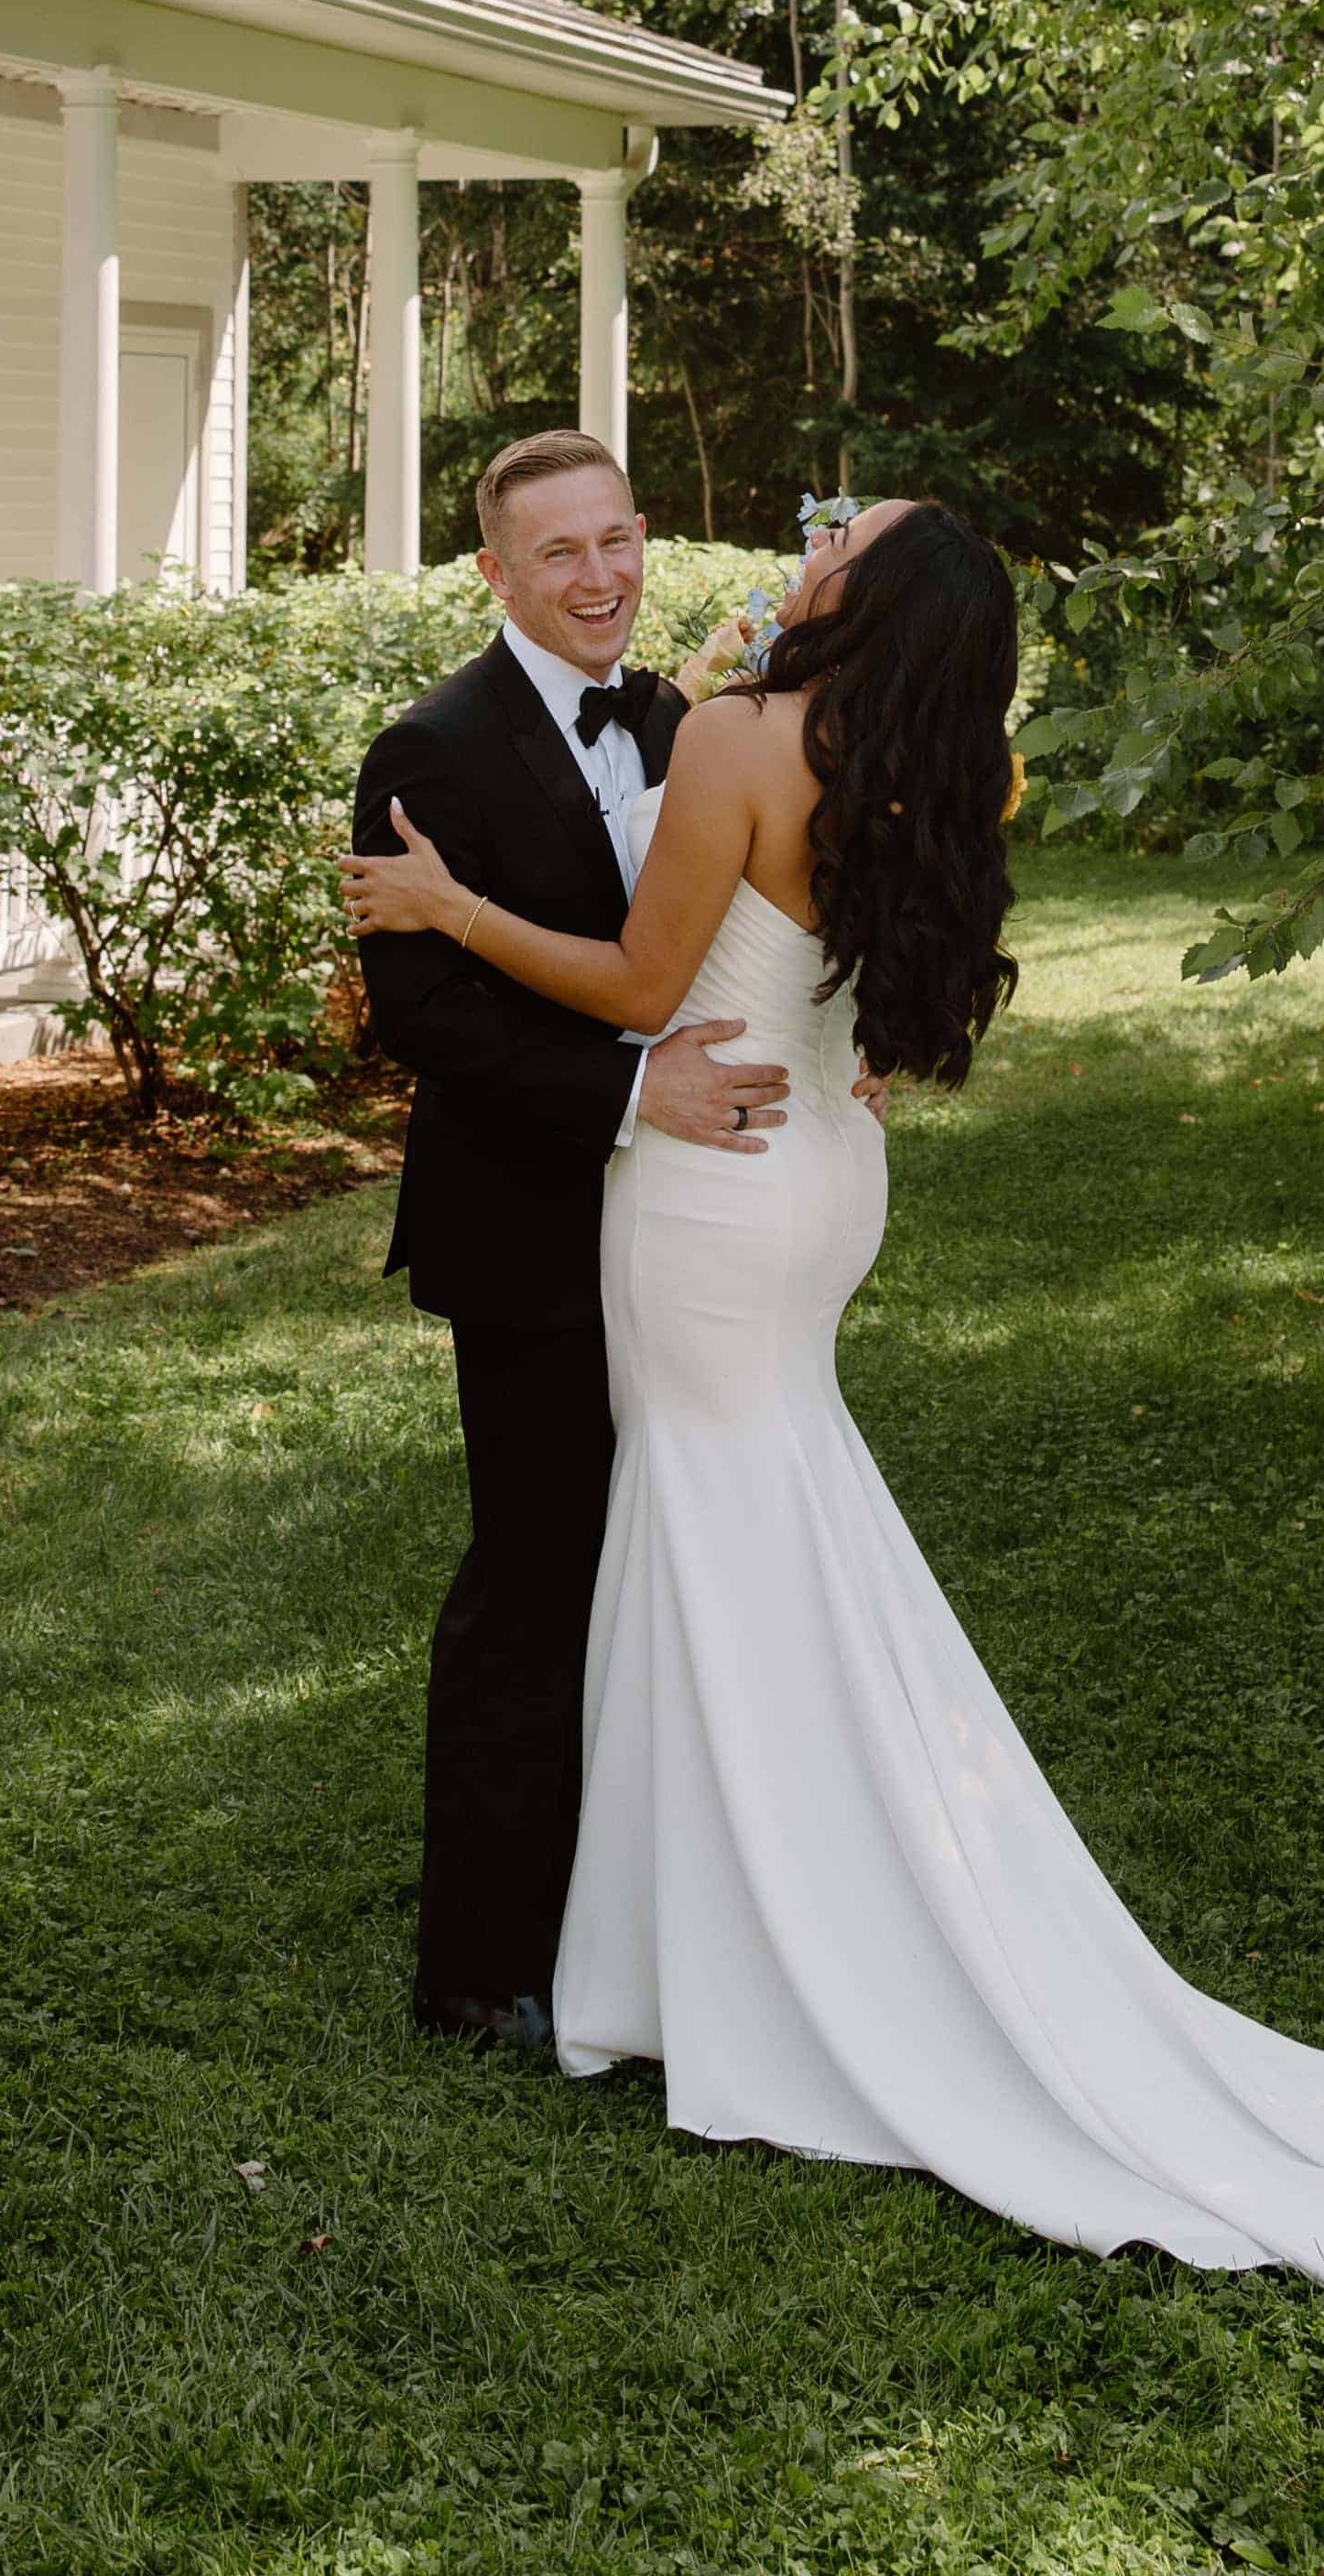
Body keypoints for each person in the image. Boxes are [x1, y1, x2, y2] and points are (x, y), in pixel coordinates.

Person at [345, 495, 1324, 2364]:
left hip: (709, 1201)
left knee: (724, 1536)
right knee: (764, 1529)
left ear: (861, 596)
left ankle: (755, 1956)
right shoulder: (923, 764)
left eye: (836, 533)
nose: (800, 543)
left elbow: (646, 993)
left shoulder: (729, 733)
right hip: (814, 1174)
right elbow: (850, 991)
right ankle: (697, 1936)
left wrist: (453, 909)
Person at [352, 428, 783, 2052]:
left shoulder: (686, 720)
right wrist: (628, 1094)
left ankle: (649, 1911)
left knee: (669, 1556)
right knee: (535, 1577)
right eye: (559, 555)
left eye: (619, 541)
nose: (599, 577)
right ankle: (478, 1967)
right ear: (495, 576)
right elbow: (423, 1018)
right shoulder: (430, 748)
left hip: (692, 1234)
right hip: (527, 1222)